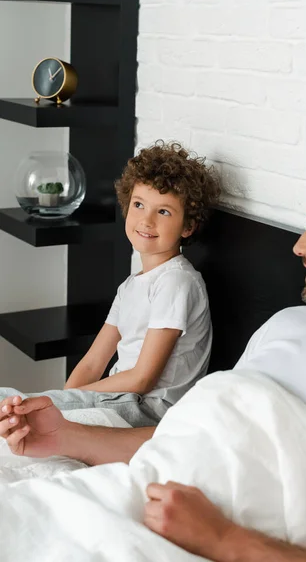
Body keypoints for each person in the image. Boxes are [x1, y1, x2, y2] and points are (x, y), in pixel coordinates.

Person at [1, 157, 306, 561]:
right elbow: (188, 436)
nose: (298, 245)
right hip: (142, 493)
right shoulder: (287, 325)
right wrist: (66, 436)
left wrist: (222, 539)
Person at [0, 140, 220, 427]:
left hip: (149, 411)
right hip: (119, 399)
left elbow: (142, 379)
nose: (146, 220)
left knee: (17, 408)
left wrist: (64, 402)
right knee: (15, 405)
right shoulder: (131, 286)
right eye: (139, 205)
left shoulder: (177, 281)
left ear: (188, 226)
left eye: (163, 211)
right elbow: (93, 363)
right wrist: (63, 402)